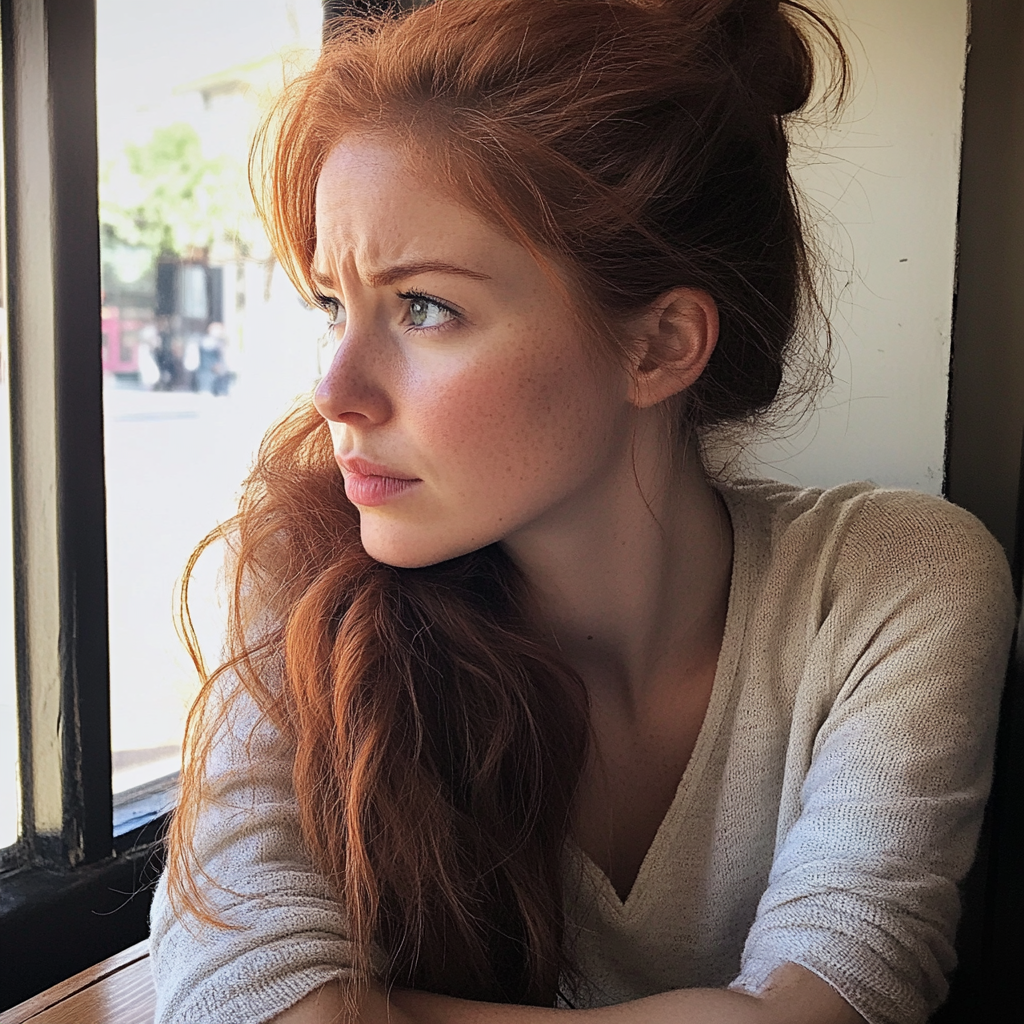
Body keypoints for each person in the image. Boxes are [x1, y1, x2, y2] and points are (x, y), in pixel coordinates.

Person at [148, 2, 1017, 1023]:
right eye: (334, 306)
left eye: (424, 306)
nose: (336, 387)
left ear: (655, 348)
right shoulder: (303, 576)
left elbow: (840, 1003)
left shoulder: (886, 585)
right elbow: (232, 994)